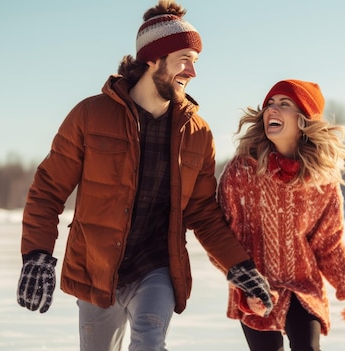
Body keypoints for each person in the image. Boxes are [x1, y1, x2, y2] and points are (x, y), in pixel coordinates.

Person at [16, 1, 273, 350]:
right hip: (96, 266)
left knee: (149, 342)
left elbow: (202, 212)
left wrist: (238, 265)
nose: (192, 72)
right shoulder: (90, 115)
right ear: (153, 58)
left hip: (157, 266)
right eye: (184, 59)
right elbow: (48, 191)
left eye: (195, 62)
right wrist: (37, 255)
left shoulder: (196, 132)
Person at [216, 79, 345, 350]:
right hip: (256, 288)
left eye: (284, 104)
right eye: (269, 105)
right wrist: (244, 288)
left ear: (303, 120)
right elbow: (224, 239)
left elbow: (328, 243)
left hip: (303, 287)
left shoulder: (321, 180)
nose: (272, 111)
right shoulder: (242, 171)